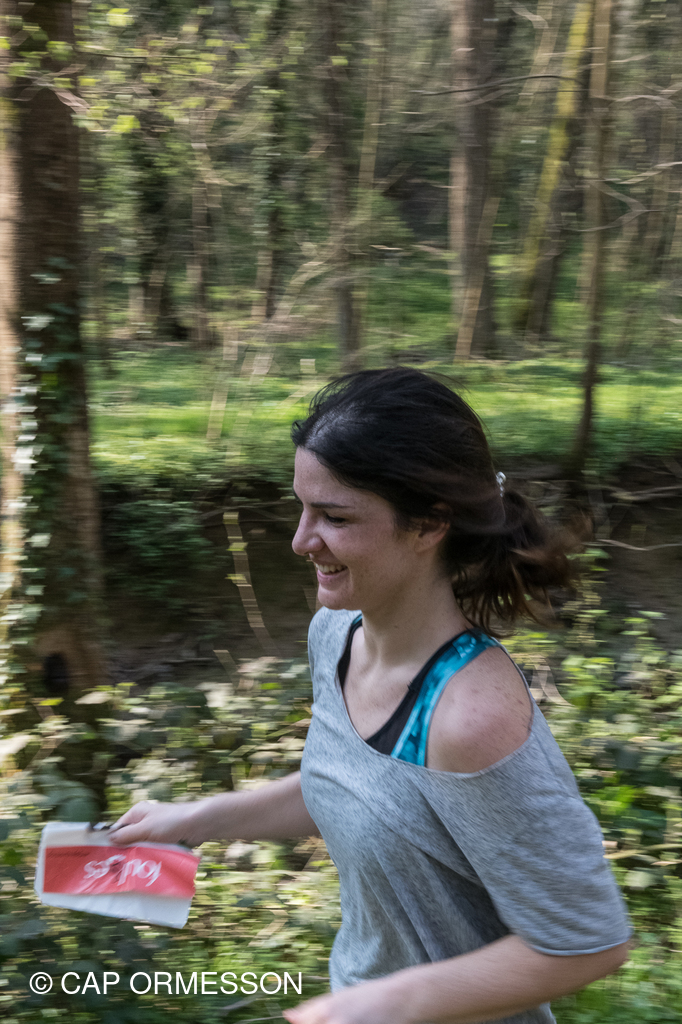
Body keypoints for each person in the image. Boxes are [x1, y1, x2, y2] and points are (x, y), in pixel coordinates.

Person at [111, 368, 631, 1024]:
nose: (301, 540)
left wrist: (386, 1001)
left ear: (428, 525)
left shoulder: (470, 719)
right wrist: (195, 821)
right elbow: (356, 790)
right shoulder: (336, 634)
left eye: (335, 517)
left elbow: (589, 944)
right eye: (303, 508)